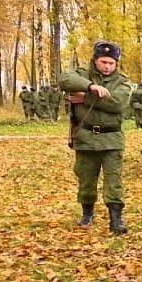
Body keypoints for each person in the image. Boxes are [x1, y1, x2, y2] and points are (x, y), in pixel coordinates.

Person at [59, 40, 133, 234]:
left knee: (113, 180)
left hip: (112, 139)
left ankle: (116, 219)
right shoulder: (83, 74)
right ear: (95, 60)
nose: (107, 66)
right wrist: (91, 86)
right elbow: (64, 80)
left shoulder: (123, 81)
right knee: (86, 179)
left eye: (111, 63)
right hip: (86, 137)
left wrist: (85, 97)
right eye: (103, 62)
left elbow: (117, 103)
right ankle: (87, 213)